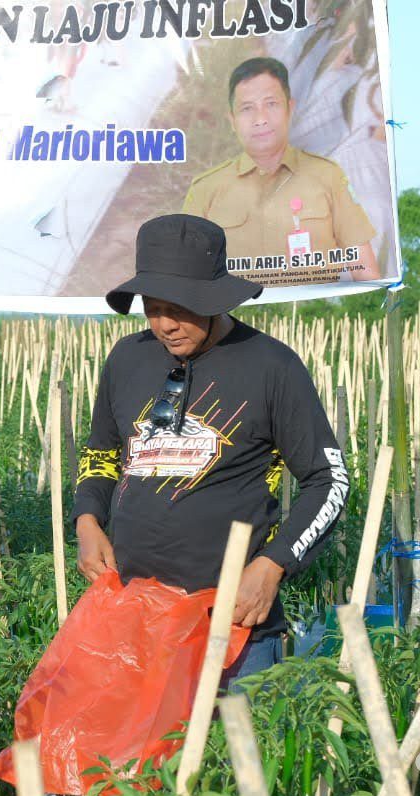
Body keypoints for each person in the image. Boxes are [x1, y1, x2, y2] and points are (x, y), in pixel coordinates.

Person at [71, 213, 349, 689]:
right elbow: (101, 455)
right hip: (133, 618)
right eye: (153, 308)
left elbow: (330, 482)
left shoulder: (271, 367)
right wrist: (87, 520)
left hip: (232, 627)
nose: (164, 325)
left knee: (233, 760)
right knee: (133, 765)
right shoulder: (127, 359)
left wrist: (272, 564)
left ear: (216, 301)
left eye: (180, 308)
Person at [182, 57, 381, 284]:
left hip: (313, 316)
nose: (260, 119)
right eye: (247, 108)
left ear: (290, 108)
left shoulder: (328, 176)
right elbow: (186, 280)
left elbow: (366, 272)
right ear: (232, 120)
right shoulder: (206, 190)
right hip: (233, 318)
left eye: (271, 104)